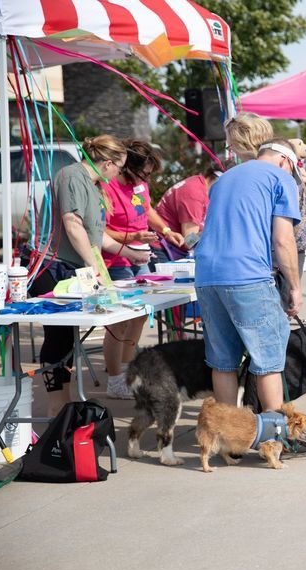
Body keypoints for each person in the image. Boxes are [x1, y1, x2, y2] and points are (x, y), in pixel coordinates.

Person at [25, 135, 151, 415]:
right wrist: (93, 265)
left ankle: (66, 402)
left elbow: (97, 235)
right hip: (52, 265)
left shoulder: (94, 185)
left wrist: (129, 253)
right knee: (58, 337)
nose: (119, 174)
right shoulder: (71, 176)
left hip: (71, 266)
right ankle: (58, 405)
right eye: (119, 168)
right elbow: (73, 225)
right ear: (107, 163)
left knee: (68, 337)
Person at [194, 139, 302, 411]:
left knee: (223, 362)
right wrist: (295, 286)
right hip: (248, 275)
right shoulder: (281, 177)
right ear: (284, 161)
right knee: (268, 362)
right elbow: (283, 240)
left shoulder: (223, 178)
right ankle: (275, 438)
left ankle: (230, 439)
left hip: (207, 275)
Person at [101, 140, 186, 399]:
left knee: (139, 314)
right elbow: (100, 231)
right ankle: (115, 380)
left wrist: (167, 230)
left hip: (139, 256)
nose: (147, 178)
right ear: (127, 166)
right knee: (120, 321)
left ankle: (129, 373)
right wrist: (133, 234)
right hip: (113, 260)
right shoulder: (108, 186)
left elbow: (146, 208)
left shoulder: (139, 183)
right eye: (144, 173)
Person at [154, 160, 223, 259]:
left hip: (170, 246)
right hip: (162, 247)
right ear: (219, 180)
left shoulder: (199, 183)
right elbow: (189, 241)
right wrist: (214, 229)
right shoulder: (195, 195)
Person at [287, 138, 306, 268]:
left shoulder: (299, 166)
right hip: (294, 235)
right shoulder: (289, 170)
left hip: (301, 234)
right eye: (300, 145)